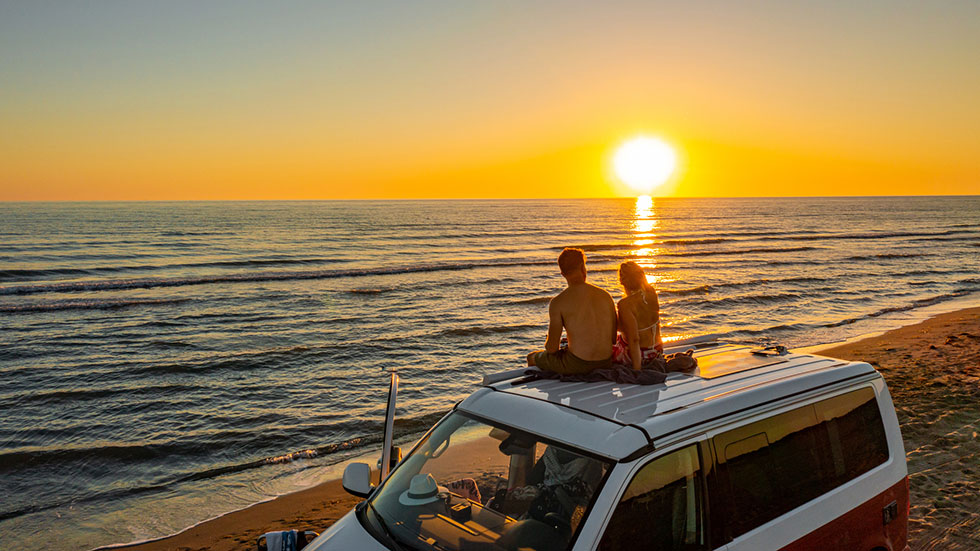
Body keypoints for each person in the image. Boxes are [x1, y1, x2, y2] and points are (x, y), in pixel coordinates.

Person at [527, 248, 617, 374]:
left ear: (562, 274)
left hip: (578, 364)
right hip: (606, 361)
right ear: (583, 267)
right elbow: (613, 339)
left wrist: (550, 342)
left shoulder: (558, 302)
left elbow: (552, 349)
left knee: (532, 357)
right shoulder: (605, 296)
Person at [613, 261, 663, 371]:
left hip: (639, 357)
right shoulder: (651, 293)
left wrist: (637, 370)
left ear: (622, 281)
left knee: (607, 347)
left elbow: (634, 340)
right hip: (657, 351)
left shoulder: (625, 305)